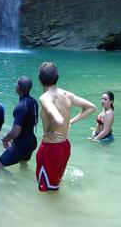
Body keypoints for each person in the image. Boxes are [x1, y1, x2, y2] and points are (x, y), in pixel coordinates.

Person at [36, 61, 96, 192]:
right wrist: (71, 122)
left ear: (40, 79)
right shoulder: (67, 94)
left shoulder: (45, 98)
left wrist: (50, 130)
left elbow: (58, 120)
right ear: (57, 77)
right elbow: (91, 107)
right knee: (56, 185)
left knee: (48, 193)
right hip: (65, 147)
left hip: (50, 149)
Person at [0, 75, 38, 168]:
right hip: (31, 142)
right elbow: (35, 121)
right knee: (23, 163)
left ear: (18, 87)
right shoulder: (34, 101)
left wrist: (6, 139)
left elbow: (16, 132)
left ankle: (13, 181)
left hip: (21, 145)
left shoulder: (20, 106)